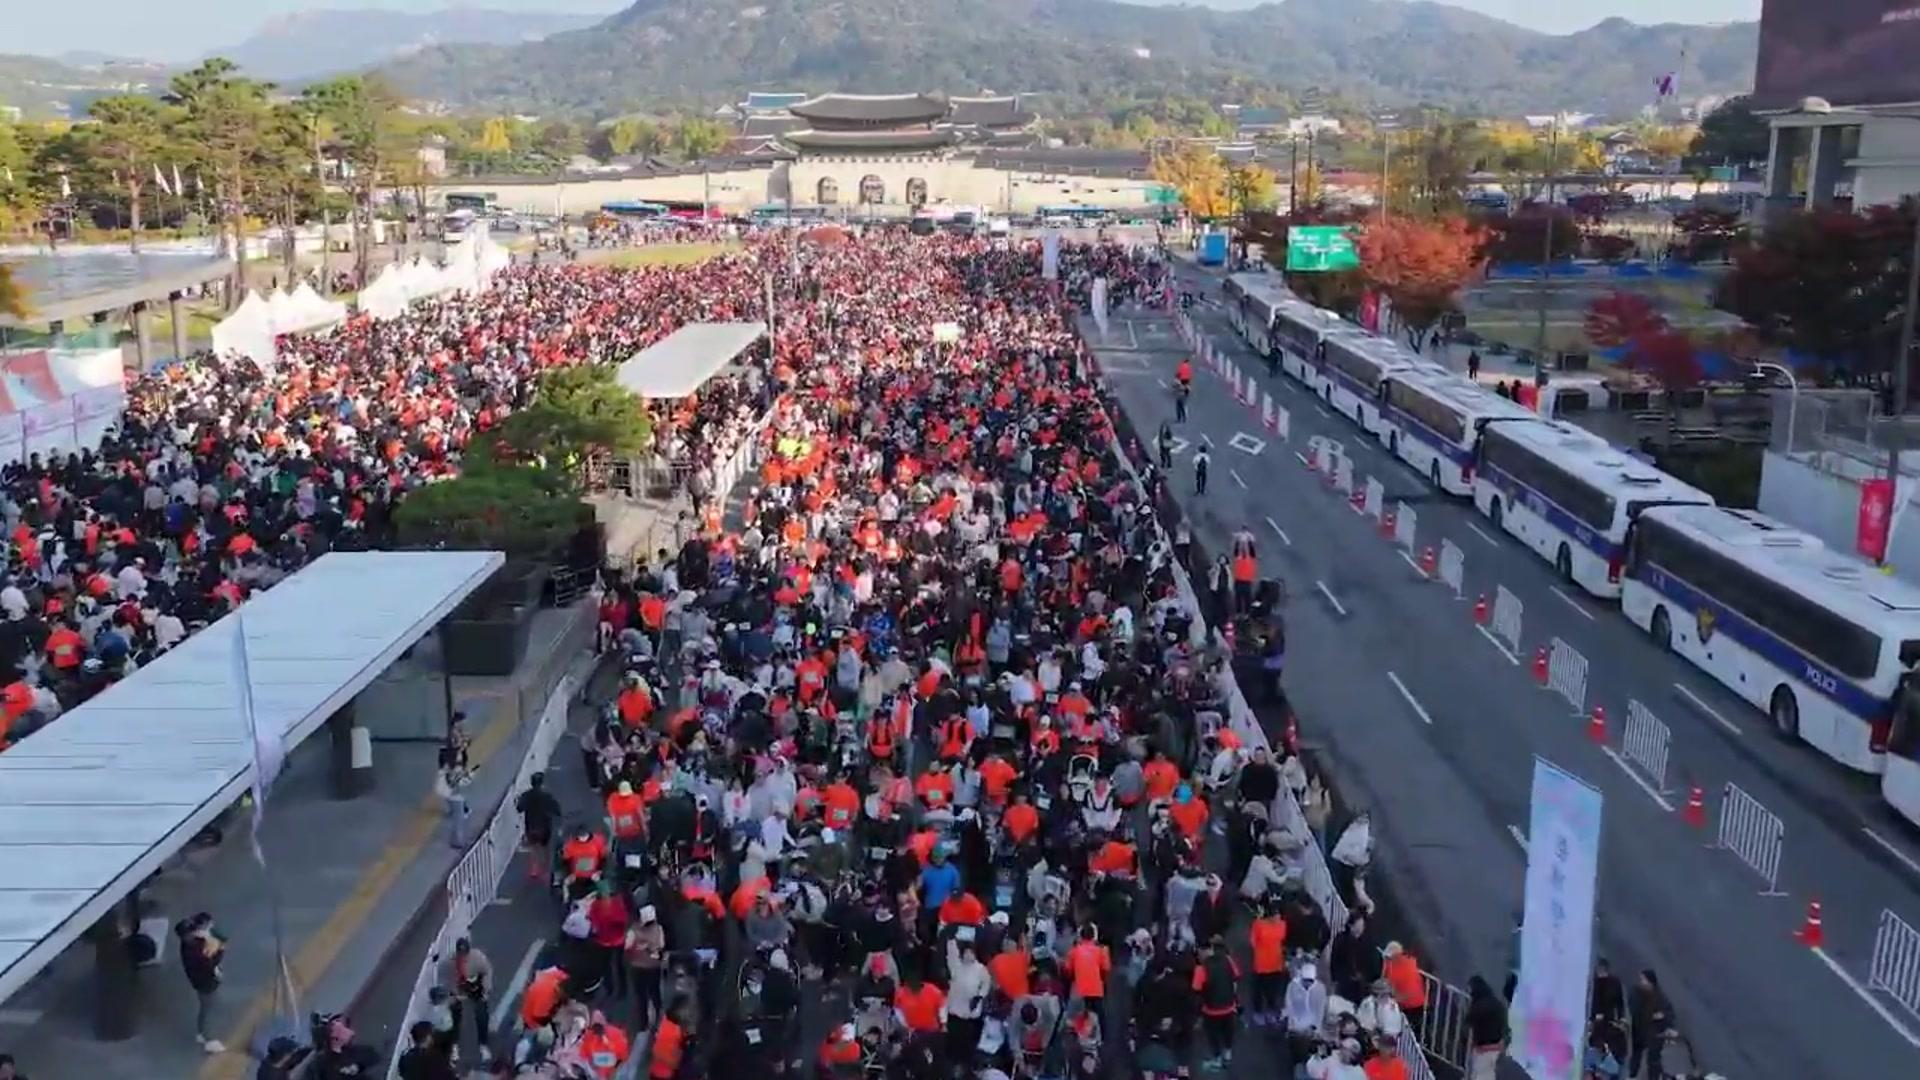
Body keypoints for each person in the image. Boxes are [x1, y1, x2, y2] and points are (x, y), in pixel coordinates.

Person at [176, 912, 226, 1054]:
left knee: (206, 1007)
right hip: (205, 981)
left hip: (203, 979)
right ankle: (209, 1038)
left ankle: (202, 1033)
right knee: (208, 1009)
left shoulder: (192, 944)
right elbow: (208, 963)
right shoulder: (193, 950)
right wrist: (220, 952)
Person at [1191, 935, 1240, 1071]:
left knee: (1213, 1035)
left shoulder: (1201, 969)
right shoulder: (1228, 960)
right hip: (1229, 1006)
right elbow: (1236, 978)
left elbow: (1196, 989)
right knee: (1228, 1032)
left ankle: (1217, 1059)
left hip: (1211, 1009)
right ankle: (1228, 1055)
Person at [441, 938, 494, 1060]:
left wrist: (485, 990)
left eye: (465, 954)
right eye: (461, 954)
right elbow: (449, 980)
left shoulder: (477, 957)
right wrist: (455, 994)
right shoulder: (451, 963)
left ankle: (483, 1044)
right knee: (454, 1017)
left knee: (482, 1015)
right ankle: (454, 1045)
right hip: (459, 989)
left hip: (476, 988)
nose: (463, 957)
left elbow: (487, 971)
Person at [1628, 968, 1674, 1080]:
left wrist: (1664, 1018)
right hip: (1640, 1030)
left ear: (1651, 982)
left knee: (1653, 1059)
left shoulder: (1659, 996)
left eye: (1643, 980)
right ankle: (1632, 1074)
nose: (1641, 982)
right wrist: (1651, 1016)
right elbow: (1634, 1010)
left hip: (1655, 1033)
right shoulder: (1636, 992)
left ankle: (1654, 1077)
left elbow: (1669, 1012)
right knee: (1636, 1055)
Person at [517, 773, 562, 881]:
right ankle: (545, 871)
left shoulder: (526, 795)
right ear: (542, 783)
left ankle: (534, 869)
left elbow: (519, 808)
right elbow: (557, 810)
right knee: (545, 849)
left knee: (534, 848)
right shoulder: (547, 796)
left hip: (531, 826)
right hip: (545, 826)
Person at [1465, 975, 1509, 1080]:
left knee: (1480, 1073)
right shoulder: (1497, 1004)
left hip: (1482, 1048)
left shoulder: (1477, 1006)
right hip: (1497, 1047)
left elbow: (1468, 1021)